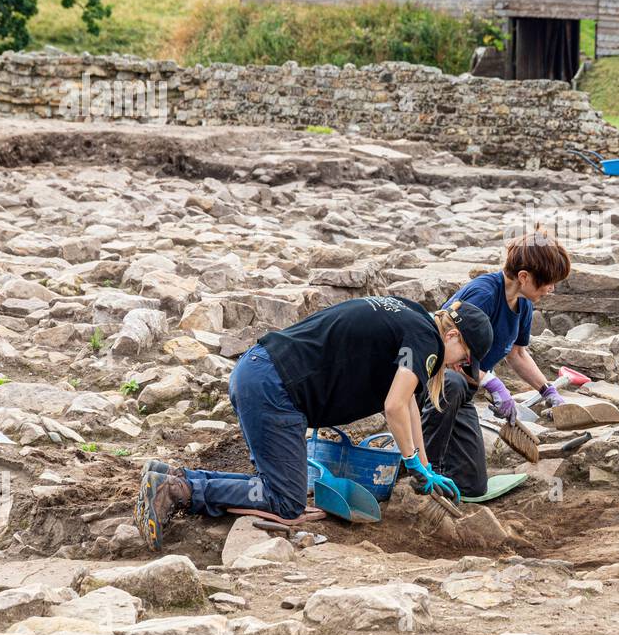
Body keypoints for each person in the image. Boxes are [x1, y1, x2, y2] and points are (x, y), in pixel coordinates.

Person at [134, 295, 494, 551]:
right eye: (463, 358)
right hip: (275, 391)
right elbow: (394, 406)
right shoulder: (426, 340)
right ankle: (177, 490)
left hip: (261, 371)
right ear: (452, 336)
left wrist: (425, 468)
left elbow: (411, 406)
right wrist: (412, 462)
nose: (456, 367)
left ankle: (170, 475)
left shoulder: (412, 316)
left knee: (279, 486)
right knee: (287, 503)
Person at [420, 229, 572, 498]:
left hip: (461, 393)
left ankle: (420, 461)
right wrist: (493, 384)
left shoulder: (523, 304)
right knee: (454, 383)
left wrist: (547, 391)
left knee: (472, 486)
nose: (551, 289)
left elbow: (517, 354)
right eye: (547, 283)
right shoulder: (483, 295)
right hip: (433, 382)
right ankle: (423, 472)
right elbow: (449, 354)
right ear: (524, 276)